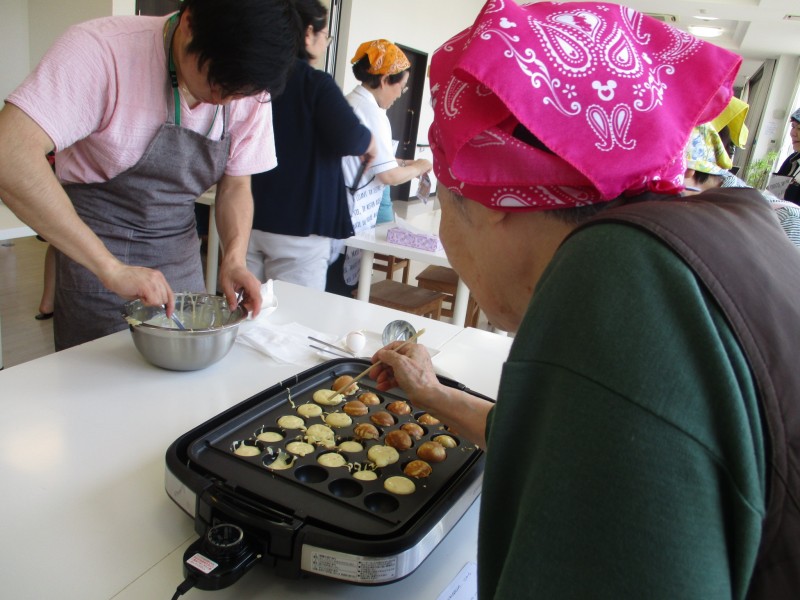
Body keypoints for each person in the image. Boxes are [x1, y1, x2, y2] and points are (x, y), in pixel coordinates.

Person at [367, 1, 800, 598]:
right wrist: (435, 396)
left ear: (493, 204)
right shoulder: (728, 223)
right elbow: (582, 449)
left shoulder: (614, 286)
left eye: (445, 205)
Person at [0, 0, 298, 350]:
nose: (220, 99)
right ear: (188, 23)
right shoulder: (100, 51)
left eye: (238, 93)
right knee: (103, 390)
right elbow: (10, 154)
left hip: (181, 261)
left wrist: (233, 258)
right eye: (215, 81)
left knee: (186, 392)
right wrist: (110, 268)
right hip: (97, 261)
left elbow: (235, 184)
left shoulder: (250, 83)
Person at [246, 0, 376, 291]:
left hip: (247, 219)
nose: (326, 42)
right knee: (294, 319)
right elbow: (350, 137)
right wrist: (369, 141)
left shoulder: (255, 79)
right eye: (326, 35)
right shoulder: (314, 84)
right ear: (308, 33)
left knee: (245, 317)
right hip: (299, 228)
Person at [326, 39, 432, 297]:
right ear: (385, 79)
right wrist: (420, 165)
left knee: (330, 287)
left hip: (332, 214)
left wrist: (403, 162)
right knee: (339, 292)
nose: (399, 96)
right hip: (349, 217)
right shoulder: (372, 113)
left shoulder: (350, 101)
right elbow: (388, 176)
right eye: (401, 88)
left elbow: (365, 158)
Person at [684, 123, 800, 247]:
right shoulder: (790, 162)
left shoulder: (787, 220)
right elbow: (776, 189)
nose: (793, 133)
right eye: (793, 127)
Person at [775, 107, 800, 204]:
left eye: (799, 128)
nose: (793, 133)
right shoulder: (791, 160)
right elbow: (774, 194)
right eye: (793, 126)